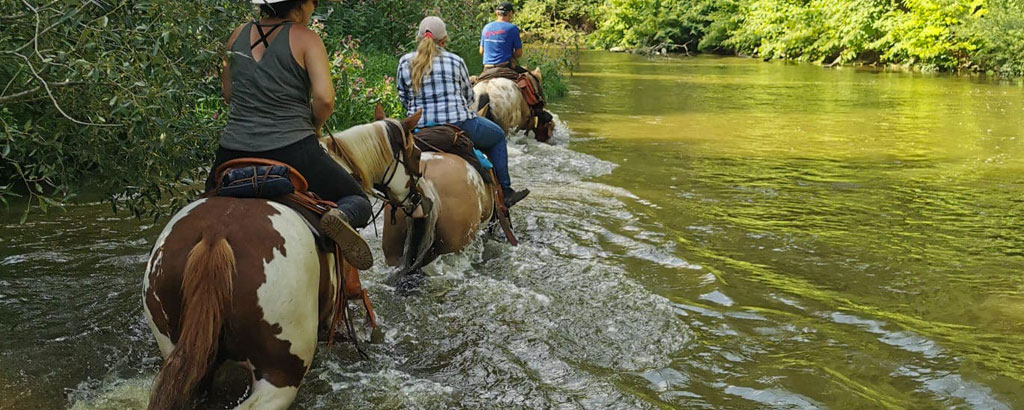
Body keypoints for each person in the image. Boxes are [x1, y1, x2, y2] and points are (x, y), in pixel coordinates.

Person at [207, 0, 374, 269]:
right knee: (358, 201)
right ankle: (337, 219)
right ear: (300, 4)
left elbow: (228, 94)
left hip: (232, 151)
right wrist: (314, 125)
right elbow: (325, 100)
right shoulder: (306, 38)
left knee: (205, 204)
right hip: (292, 150)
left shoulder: (236, 35)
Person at [396, 16, 529, 207]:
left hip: (421, 129)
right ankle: (506, 192)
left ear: (419, 38)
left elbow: (404, 99)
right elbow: (468, 98)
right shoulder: (455, 61)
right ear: (444, 40)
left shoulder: (404, 62)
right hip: (459, 124)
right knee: (498, 136)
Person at [479, 2, 526, 72]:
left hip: (487, 68)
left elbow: (481, 51)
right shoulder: (512, 28)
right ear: (510, 13)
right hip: (505, 68)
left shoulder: (486, 27)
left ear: (496, 13)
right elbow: (519, 53)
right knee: (531, 78)